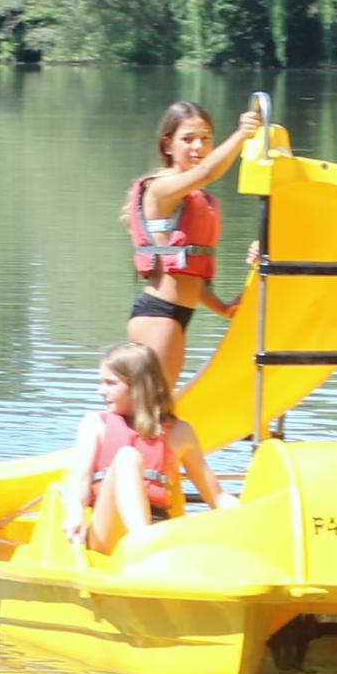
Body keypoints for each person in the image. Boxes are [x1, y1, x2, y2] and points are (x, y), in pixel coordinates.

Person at [124, 97, 256, 404]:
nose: (198, 147)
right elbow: (208, 172)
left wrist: (223, 306)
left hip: (175, 315)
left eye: (206, 139)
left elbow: (187, 272)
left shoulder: (196, 198)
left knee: (157, 412)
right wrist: (241, 135)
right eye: (188, 139)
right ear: (167, 144)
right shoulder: (159, 189)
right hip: (159, 316)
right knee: (155, 414)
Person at [64, 340, 224, 553]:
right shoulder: (95, 424)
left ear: (137, 387)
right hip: (108, 533)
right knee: (128, 457)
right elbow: (79, 482)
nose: (100, 391)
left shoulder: (180, 432)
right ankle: (143, 545)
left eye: (110, 383)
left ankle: (147, 544)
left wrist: (252, 520)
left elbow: (218, 497)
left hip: (160, 528)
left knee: (129, 458)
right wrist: (75, 510)